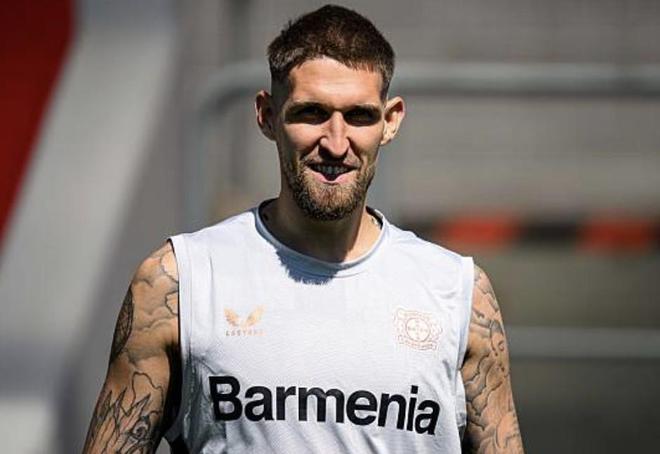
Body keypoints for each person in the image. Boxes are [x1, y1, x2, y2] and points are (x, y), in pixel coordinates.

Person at [83, 5, 524, 453]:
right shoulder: (180, 282)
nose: (336, 142)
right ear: (266, 115)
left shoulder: (458, 293)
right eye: (311, 113)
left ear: (390, 121)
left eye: (359, 115)